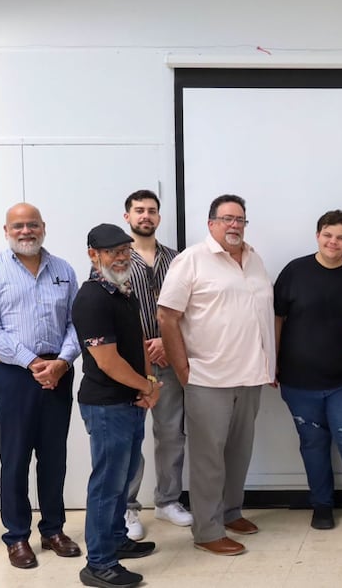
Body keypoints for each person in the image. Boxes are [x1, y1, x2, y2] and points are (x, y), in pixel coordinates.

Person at [157, 194, 274, 556]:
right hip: (208, 377)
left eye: (240, 219)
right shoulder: (191, 260)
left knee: (239, 453)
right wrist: (182, 368)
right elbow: (167, 316)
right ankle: (207, 531)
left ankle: (230, 512)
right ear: (211, 224)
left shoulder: (254, 259)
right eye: (227, 219)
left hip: (250, 375)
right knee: (208, 458)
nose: (234, 225)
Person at [0, 203, 82, 569]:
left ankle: (53, 530)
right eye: (17, 226)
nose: (25, 231)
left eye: (32, 224)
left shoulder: (63, 270)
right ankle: (17, 536)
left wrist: (62, 361)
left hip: (58, 373)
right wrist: (32, 361)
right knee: (15, 457)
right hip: (14, 375)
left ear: (43, 227)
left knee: (54, 456)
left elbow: (77, 323)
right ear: (6, 231)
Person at [274, 210, 342, 534]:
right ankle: (322, 505)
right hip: (299, 381)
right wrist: (272, 361)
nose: (333, 242)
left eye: (341, 237)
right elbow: (277, 319)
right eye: (328, 235)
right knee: (312, 443)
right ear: (318, 235)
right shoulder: (294, 271)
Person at [72, 224, 160, 588]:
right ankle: (99, 564)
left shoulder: (123, 290)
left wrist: (149, 383)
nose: (121, 257)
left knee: (123, 479)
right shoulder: (91, 299)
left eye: (125, 250)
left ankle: (116, 540)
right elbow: (108, 362)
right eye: (112, 252)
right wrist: (147, 387)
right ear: (93, 255)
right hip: (107, 406)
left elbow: (138, 341)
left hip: (131, 400)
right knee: (107, 485)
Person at [118, 190, 190, 541]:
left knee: (171, 433)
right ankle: (128, 507)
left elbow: (190, 307)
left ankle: (168, 500)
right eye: (139, 210)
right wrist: (145, 346)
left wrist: (166, 342)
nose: (145, 215)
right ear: (127, 216)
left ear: (159, 217)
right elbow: (109, 310)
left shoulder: (177, 260)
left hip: (170, 359)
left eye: (151, 210)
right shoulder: (116, 259)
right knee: (131, 437)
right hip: (132, 364)